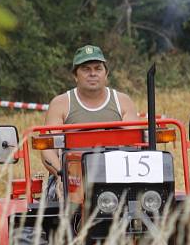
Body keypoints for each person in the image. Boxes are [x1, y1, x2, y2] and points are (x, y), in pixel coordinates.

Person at [40, 45, 139, 201]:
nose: (92, 73)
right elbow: (47, 150)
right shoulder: (60, 104)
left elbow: (135, 144)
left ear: (106, 73)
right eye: (86, 69)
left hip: (118, 176)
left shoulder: (123, 102)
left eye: (98, 68)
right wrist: (61, 175)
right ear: (75, 75)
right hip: (72, 177)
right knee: (58, 201)